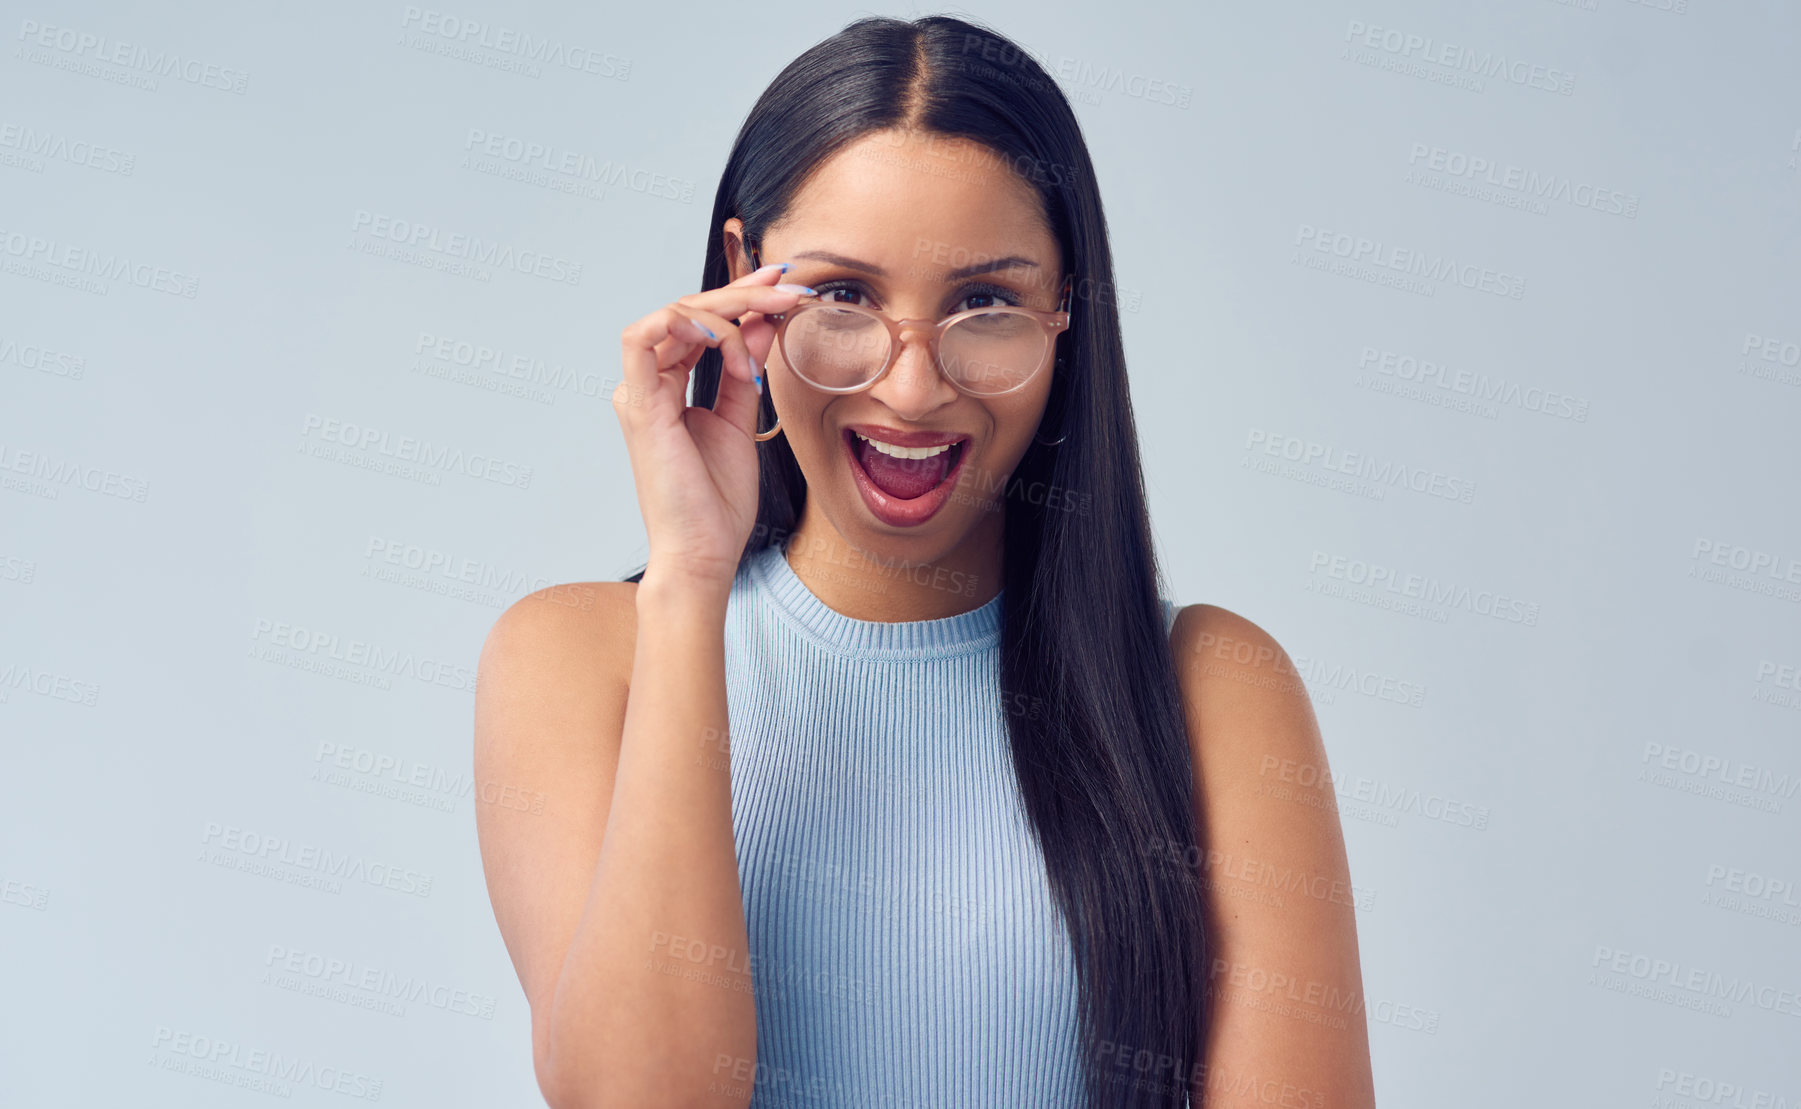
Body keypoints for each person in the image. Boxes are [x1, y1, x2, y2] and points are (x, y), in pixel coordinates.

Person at [474, 14, 1374, 1109]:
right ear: (741, 279)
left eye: (983, 301)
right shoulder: (576, 658)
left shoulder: (1214, 689)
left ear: (1063, 314)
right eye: (843, 294)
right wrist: (689, 582)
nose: (910, 389)